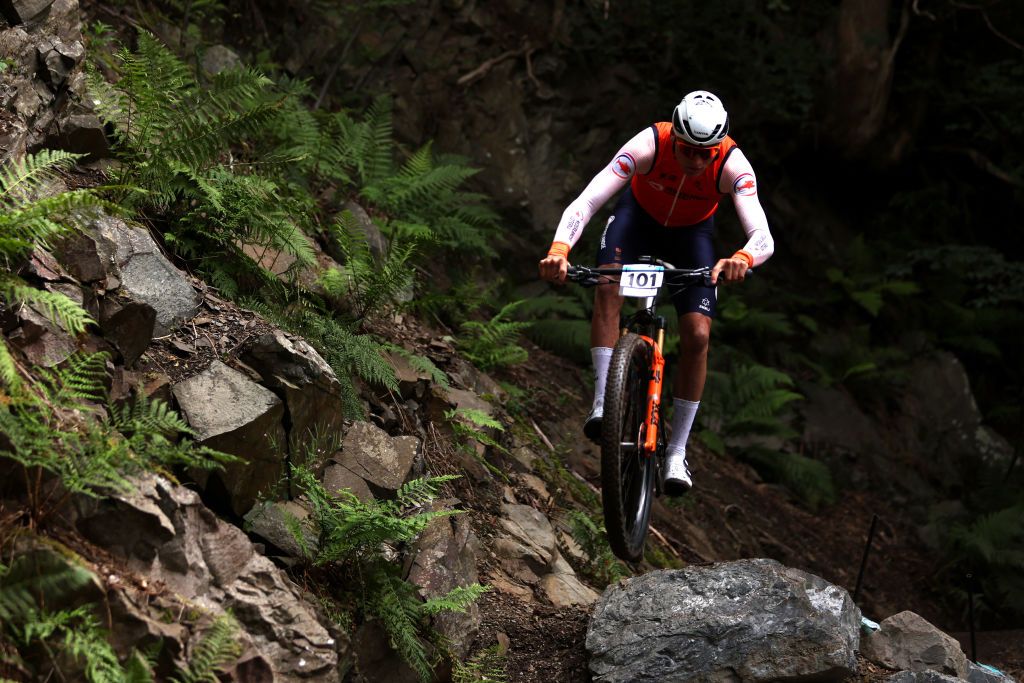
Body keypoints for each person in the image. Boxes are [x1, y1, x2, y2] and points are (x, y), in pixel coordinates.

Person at [538, 90, 774, 496]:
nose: (696, 161)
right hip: (637, 222)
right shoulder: (649, 144)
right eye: (688, 150)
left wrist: (742, 258)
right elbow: (588, 200)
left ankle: (677, 452)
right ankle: (603, 403)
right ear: (674, 137)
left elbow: (763, 236)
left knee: (698, 335)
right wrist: (559, 250)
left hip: (692, 237)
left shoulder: (733, 164)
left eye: (706, 153)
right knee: (607, 286)